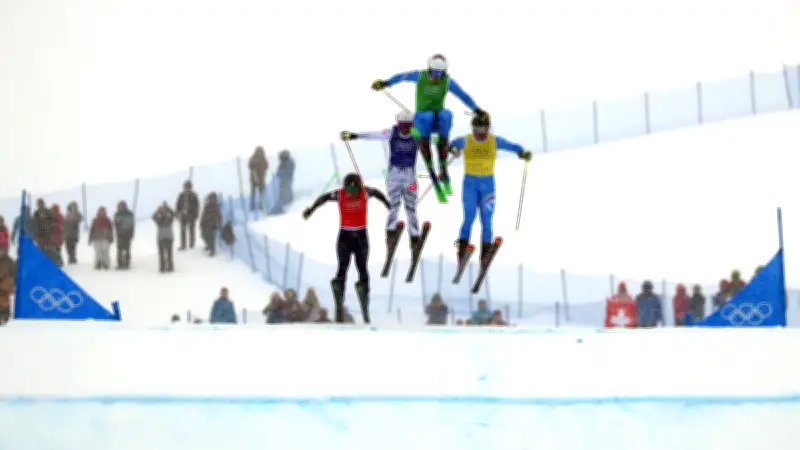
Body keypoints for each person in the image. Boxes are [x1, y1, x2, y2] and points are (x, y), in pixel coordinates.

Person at [371, 54, 488, 196]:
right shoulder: (420, 76)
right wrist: (386, 83)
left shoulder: (447, 81)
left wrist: (477, 110)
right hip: (422, 120)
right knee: (427, 116)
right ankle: (428, 155)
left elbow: (463, 96)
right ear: (429, 70)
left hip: (437, 121)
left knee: (447, 115)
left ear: (444, 72)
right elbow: (402, 77)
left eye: (439, 73)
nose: (436, 76)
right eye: (433, 73)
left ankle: (443, 162)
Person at [301, 173, 390, 324]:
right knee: (343, 268)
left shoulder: (365, 192)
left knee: (362, 269)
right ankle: (339, 304)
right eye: (348, 191)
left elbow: (377, 193)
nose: (350, 194)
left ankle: (364, 306)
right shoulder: (340, 194)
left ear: (359, 187)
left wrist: (388, 204)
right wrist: (311, 209)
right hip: (346, 238)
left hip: (359, 237)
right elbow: (324, 198)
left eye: (354, 192)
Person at [448, 113, 531, 267]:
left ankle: (485, 253)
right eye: (477, 129)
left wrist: (522, 152)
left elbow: (512, 146)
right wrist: (453, 149)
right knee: (469, 217)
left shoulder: (494, 141)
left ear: (488, 128)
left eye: (483, 129)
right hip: (470, 185)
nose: (480, 133)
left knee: (486, 219)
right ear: (472, 129)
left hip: (487, 185)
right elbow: (450, 145)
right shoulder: (466, 140)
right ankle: (462, 252)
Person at [340, 111, 423, 257]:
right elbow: (375, 135)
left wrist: (448, 148)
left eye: (408, 126)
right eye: (402, 125)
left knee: (411, 207)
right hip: (394, 174)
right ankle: (390, 233)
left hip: (409, 175)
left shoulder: (417, 134)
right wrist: (355, 136)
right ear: (398, 124)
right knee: (394, 205)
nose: (405, 129)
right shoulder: (392, 132)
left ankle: (414, 238)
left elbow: (433, 141)